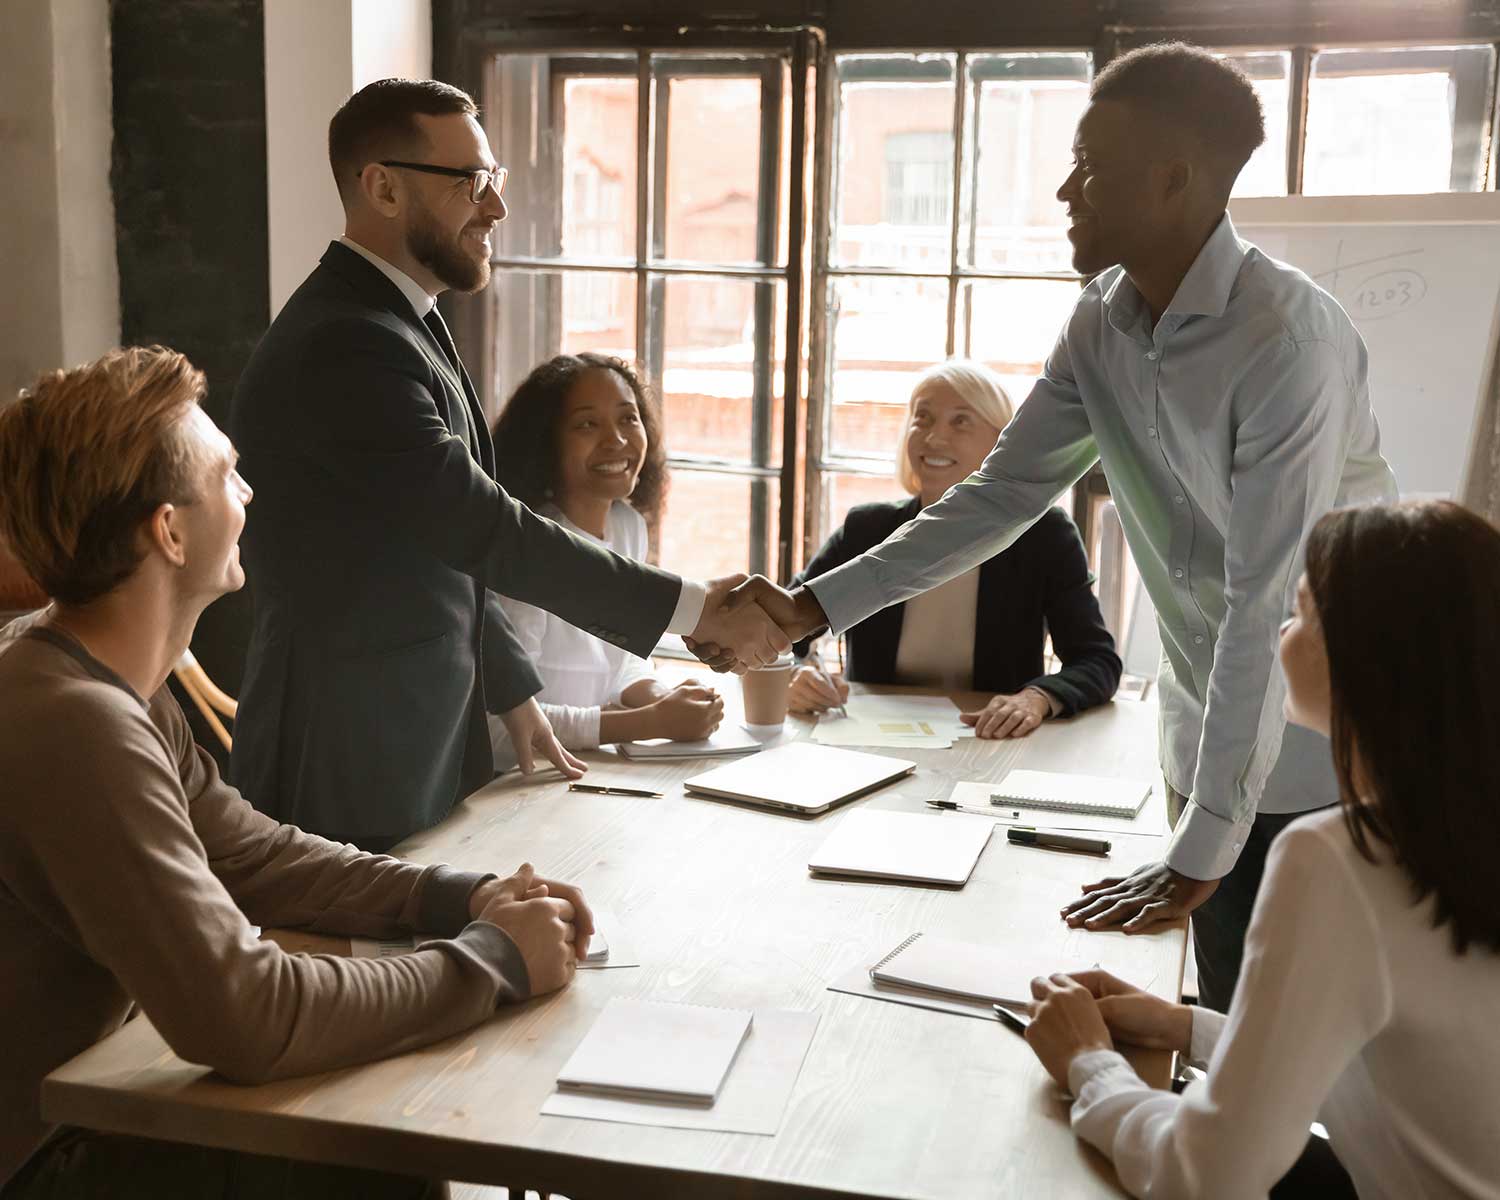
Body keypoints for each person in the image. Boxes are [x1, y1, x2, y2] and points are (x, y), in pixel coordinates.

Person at [727, 43, 1398, 1010]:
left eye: (1090, 164)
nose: (1062, 189)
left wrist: (1205, 842)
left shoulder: (1288, 341)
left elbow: (1264, 603)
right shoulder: (1098, 324)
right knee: (1212, 1014)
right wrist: (804, 611)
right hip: (1200, 729)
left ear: (1173, 179)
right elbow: (996, 500)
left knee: (1302, 1038)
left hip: (1338, 740)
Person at [0, 346, 593, 1197]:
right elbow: (244, 1014)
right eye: (227, 475)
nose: (248, 497)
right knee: (384, 1150)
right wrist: (494, 960)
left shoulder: (100, 677)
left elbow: (252, 856)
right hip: (43, 1156)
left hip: (92, 1103)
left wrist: (462, 898)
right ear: (168, 530)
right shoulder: (75, 721)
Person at [228, 78, 784, 852]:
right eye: (471, 182)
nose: (495, 207)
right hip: (347, 741)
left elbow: (437, 541)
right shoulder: (347, 344)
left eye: (496, 181)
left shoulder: (398, 319)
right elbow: (481, 524)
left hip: (409, 728)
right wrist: (695, 609)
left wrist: (514, 688)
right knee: (350, 963)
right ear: (382, 188)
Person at [1022, 500, 1500, 1200]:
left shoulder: (1338, 856)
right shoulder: (1459, 831)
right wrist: (1188, 1026)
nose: (1280, 632)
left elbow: (1207, 1177)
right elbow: (1409, 1060)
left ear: (1365, 656)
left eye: (1302, 613)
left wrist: (1089, 1063)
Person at [788, 359, 1120, 737]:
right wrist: (798, 673)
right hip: (871, 742)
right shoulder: (866, 528)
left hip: (991, 743)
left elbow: (1097, 661)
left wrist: (1037, 698)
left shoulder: (1045, 535)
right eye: (923, 418)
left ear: (1003, 443)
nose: (933, 439)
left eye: (960, 421)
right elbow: (785, 622)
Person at [485, 351, 724, 762]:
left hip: (591, 774)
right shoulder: (527, 550)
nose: (616, 439)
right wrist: (652, 722)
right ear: (546, 441)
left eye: (628, 418)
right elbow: (501, 729)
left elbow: (621, 666)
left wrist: (665, 699)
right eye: (587, 424)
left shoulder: (627, 525)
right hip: (520, 787)